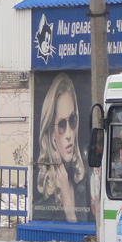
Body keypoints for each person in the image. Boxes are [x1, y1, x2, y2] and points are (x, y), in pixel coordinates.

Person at [33, 73, 91, 222]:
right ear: (51, 133)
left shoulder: (83, 176)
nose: (69, 134)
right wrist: (65, 195)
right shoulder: (43, 191)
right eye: (61, 125)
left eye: (72, 121)